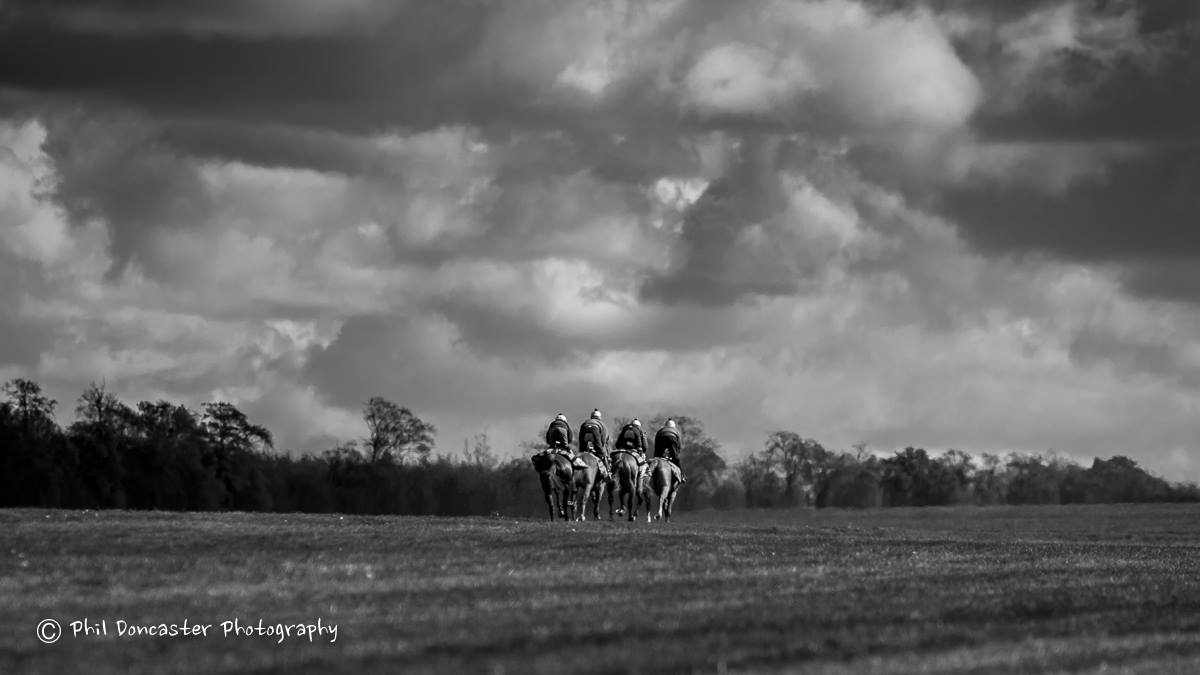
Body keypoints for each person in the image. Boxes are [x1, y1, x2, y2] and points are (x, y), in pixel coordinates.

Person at [654, 418, 687, 484]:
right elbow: (678, 445)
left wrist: (657, 454)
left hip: (661, 439)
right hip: (672, 440)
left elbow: (656, 442)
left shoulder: (661, 430)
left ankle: (651, 474)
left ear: (665, 425)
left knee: (656, 458)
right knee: (676, 460)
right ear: (673, 426)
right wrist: (676, 454)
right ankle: (681, 476)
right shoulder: (676, 431)